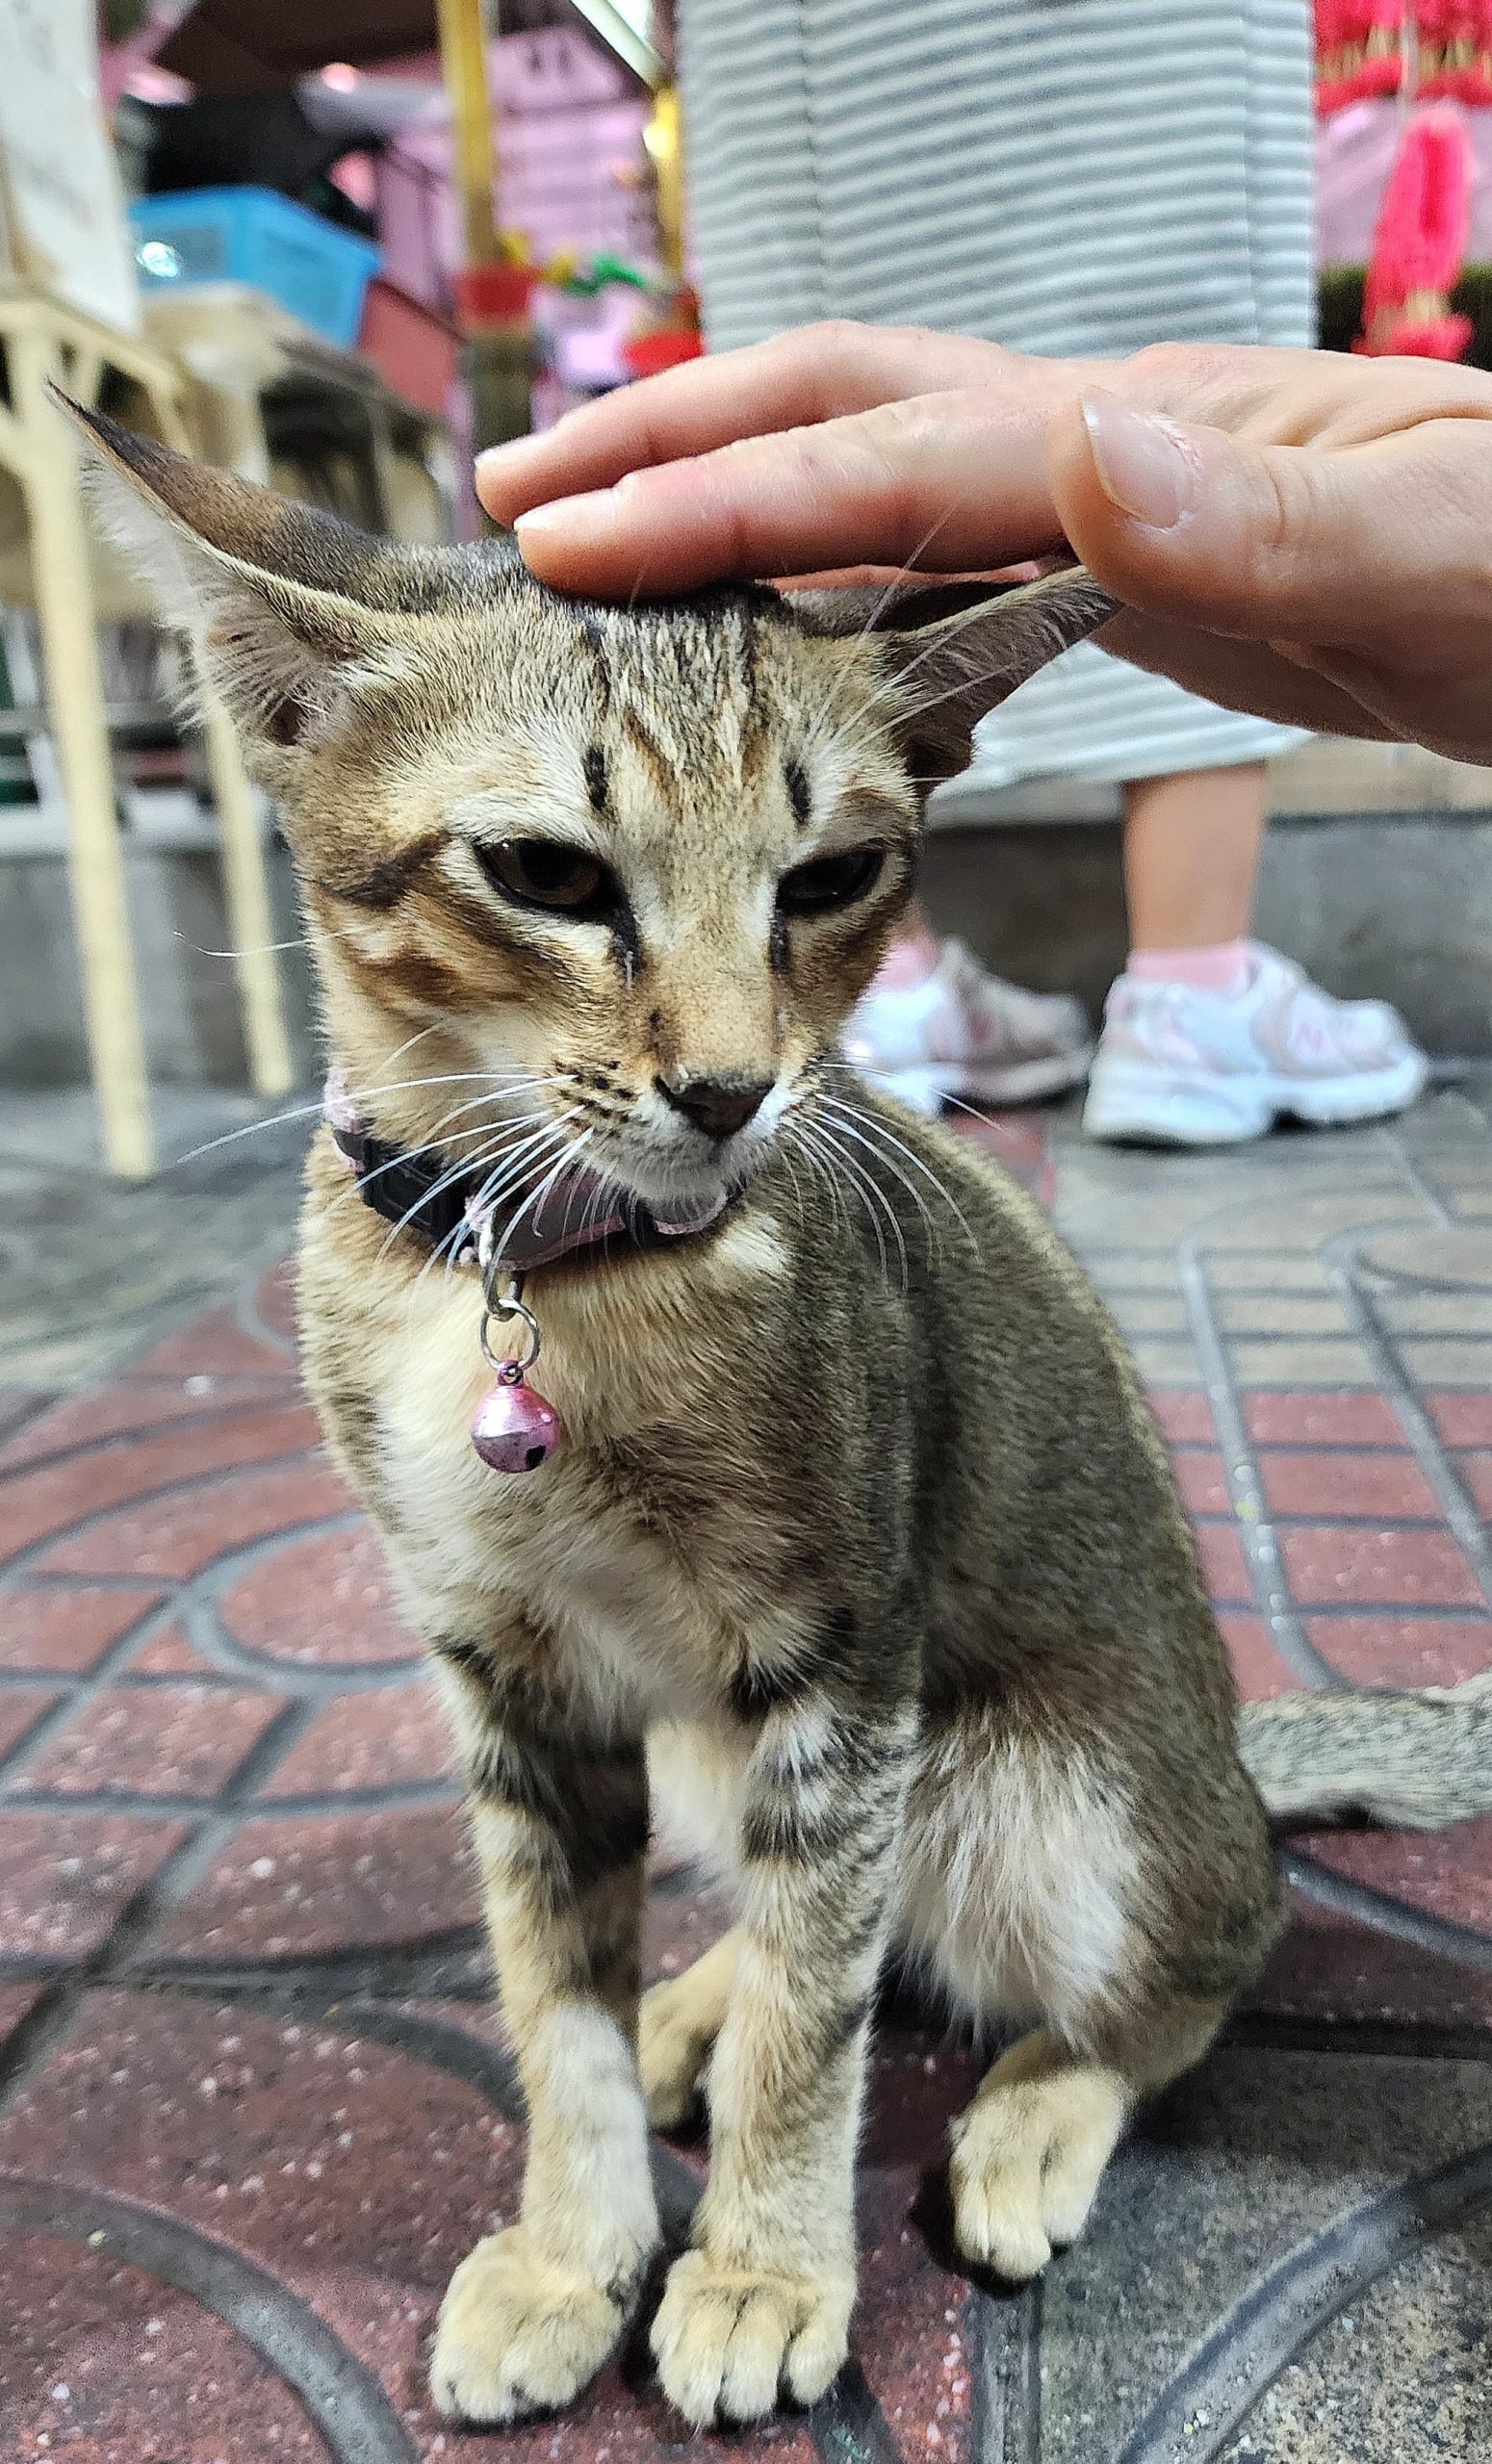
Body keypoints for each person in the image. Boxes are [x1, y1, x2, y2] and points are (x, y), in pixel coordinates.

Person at [493, 0, 1428, 1148]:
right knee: (1160, 397)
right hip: (1112, 39)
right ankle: (1193, 985)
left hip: (798, 53)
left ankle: (898, 995)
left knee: (813, 421)